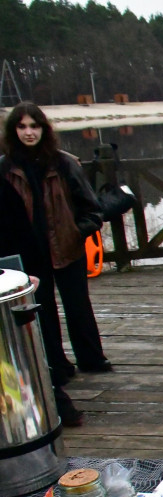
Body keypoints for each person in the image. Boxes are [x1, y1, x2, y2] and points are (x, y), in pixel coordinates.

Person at [1, 102, 110, 425]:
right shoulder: (5, 168)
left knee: (78, 307)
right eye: (22, 127)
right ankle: (56, 366)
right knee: (42, 312)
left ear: (44, 129)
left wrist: (79, 230)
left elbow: (92, 207)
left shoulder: (64, 164)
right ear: (14, 132)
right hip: (28, 255)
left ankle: (92, 359)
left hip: (67, 246)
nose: (29, 132)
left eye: (34, 126)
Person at [0, 176, 84, 425]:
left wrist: (26, 273)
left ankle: (52, 406)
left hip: (9, 280)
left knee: (27, 351)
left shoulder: (3, 188)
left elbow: (21, 235)